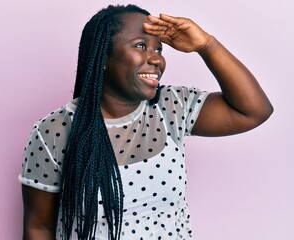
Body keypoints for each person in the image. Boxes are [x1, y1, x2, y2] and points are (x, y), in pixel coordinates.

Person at [18, 4, 273, 240]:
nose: (157, 59)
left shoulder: (172, 106)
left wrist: (206, 45)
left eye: (159, 49)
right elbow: (38, 226)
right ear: (103, 57)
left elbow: (253, 111)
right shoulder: (55, 131)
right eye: (141, 46)